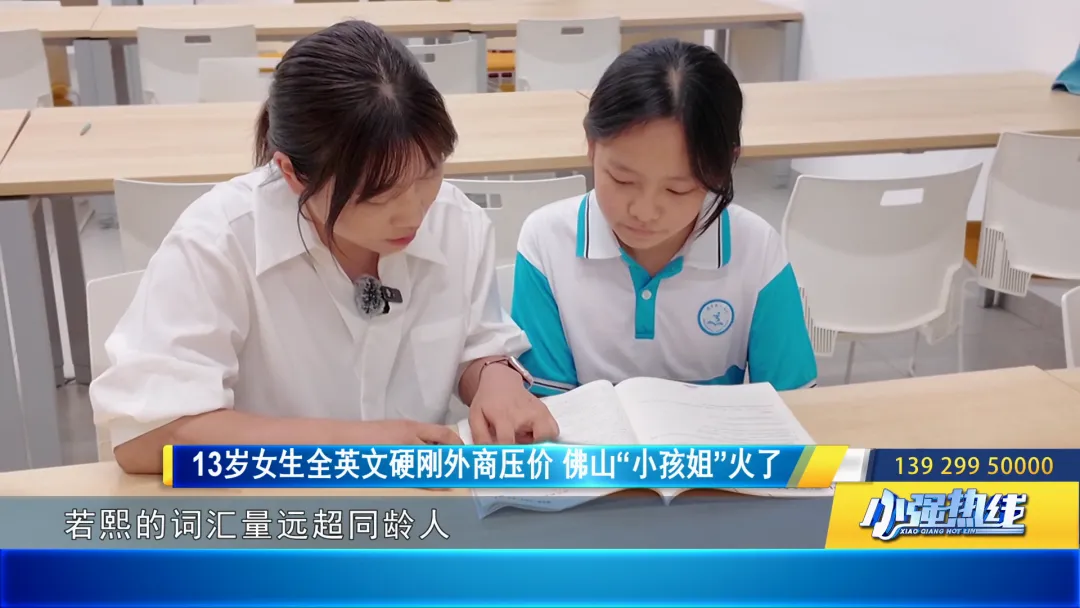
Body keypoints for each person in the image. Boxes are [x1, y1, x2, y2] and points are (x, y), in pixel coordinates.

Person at [90, 20, 558, 475]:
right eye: (378, 195)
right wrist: (350, 445)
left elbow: (477, 342)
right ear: (292, 174)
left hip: (418, 512)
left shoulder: (458, 222)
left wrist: (495, 379)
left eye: (429, 173)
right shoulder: (220, 240)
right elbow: (144, 438)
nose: (413, 212)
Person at [511, 38, 817, 396]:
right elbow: (546, 402)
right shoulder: (547, 242)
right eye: (622, 180)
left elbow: (794, 401)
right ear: (591, 144)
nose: (644, 212)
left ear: (723, 168)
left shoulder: (756, 249)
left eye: (677, 189)